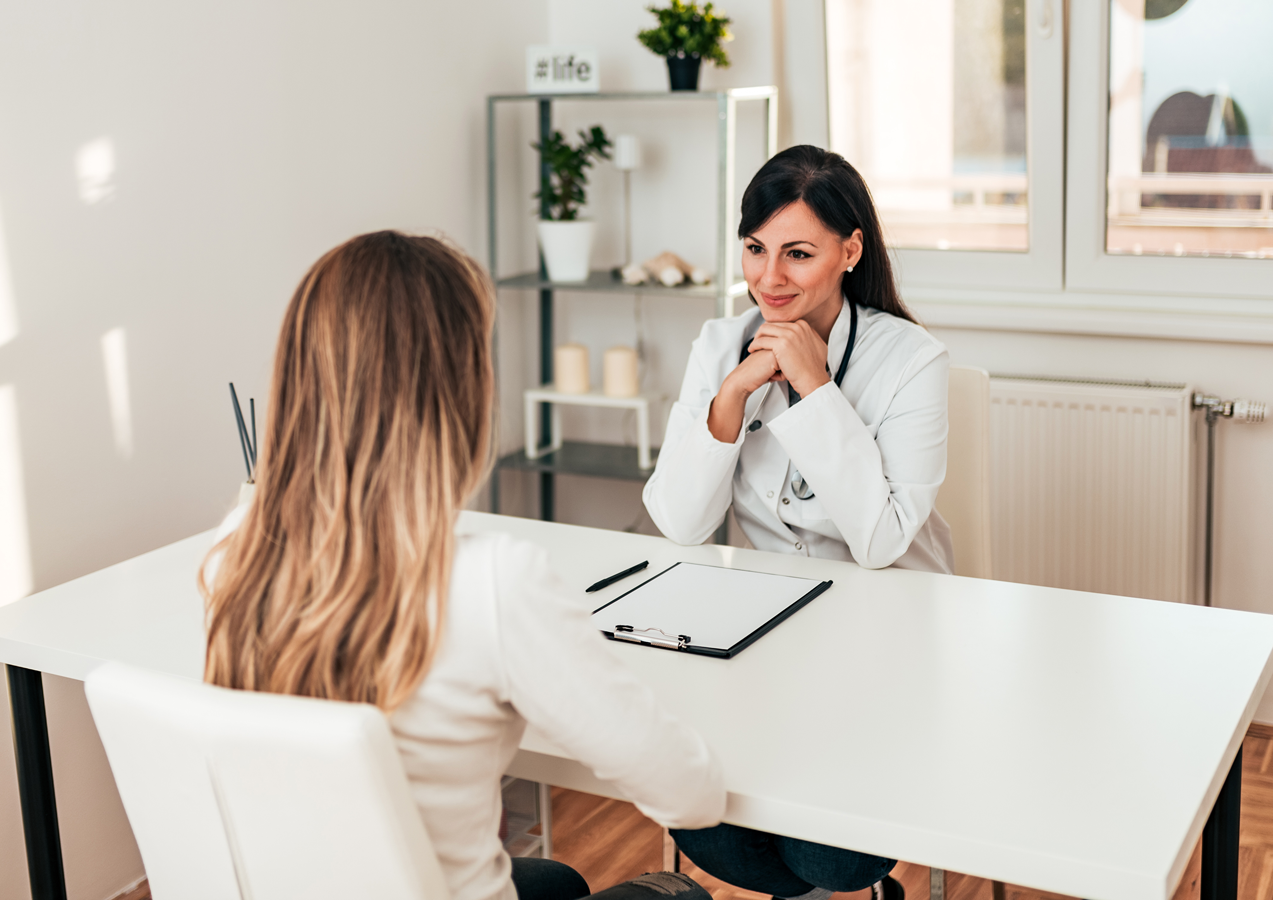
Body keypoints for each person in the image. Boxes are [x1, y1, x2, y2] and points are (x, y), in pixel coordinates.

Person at [201, 231, 724, 900]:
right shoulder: (491, 583)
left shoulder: (235, 546)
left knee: (555, 881)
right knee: (678, 896)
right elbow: (692, 796)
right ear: (456, 389)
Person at [643, 145, 950, 899]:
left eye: (798, 253)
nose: (769, 279)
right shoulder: (720, 345)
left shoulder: (910, 361)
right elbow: (680, 525)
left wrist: (815, 389)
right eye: (755, 249)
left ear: (851, 251)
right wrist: (729, 400)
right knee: (700, 818)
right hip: (767, 643)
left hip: (888, 642)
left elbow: (879, 543)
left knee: (834, 861)